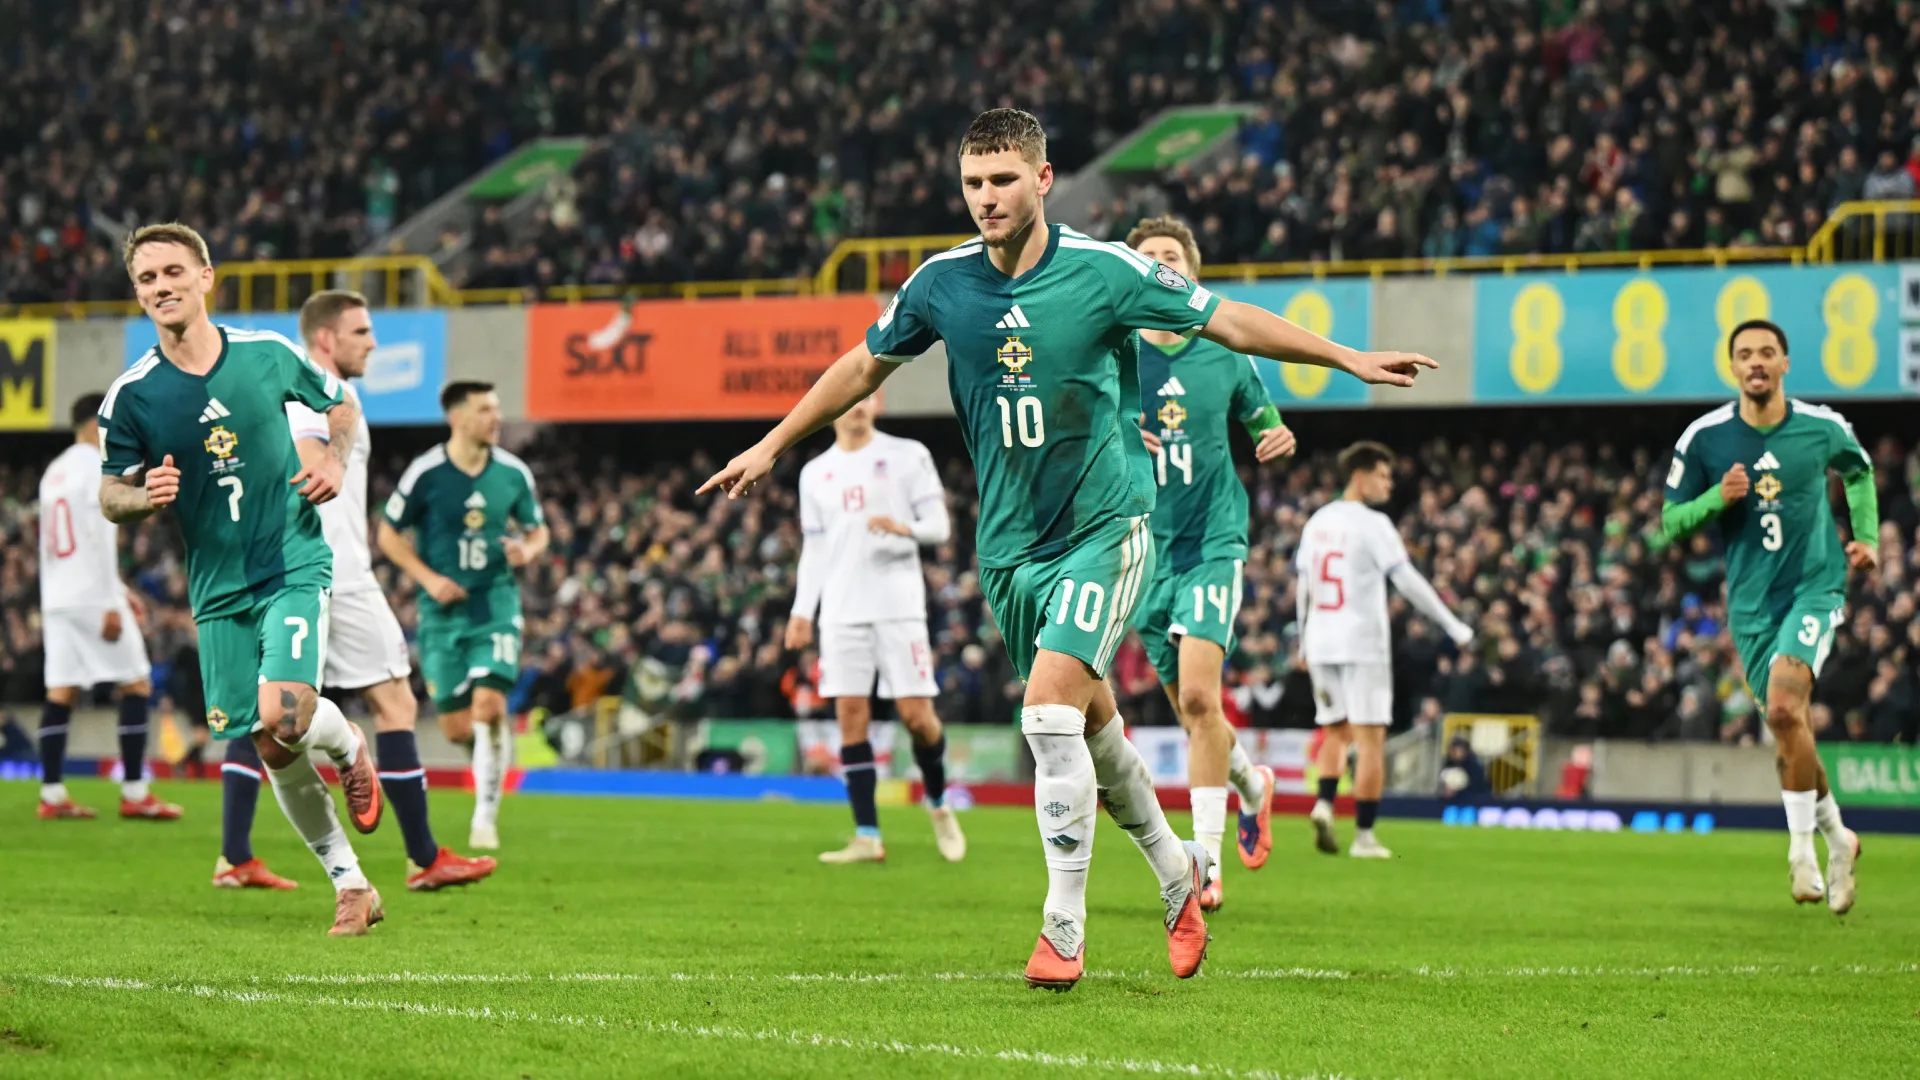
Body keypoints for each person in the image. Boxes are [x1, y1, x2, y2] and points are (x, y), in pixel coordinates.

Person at [699, 108, 1435, 990]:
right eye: (973, 183)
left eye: (1004, 180)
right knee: (1090, 728)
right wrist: (773, 444)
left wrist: (1346, 358)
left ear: (1043, 179)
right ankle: (1177, 873)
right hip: (1010, 550)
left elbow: (1229, 322)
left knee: (1047, 713)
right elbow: (862, 367)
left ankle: (1062, 927)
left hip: (1105, 528)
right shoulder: (940, 284)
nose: (986, 198)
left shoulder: (1105, 270)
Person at [100, 222, 385, 935]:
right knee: (269, 743)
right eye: (146, 278)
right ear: (138, 293)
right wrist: (143, 496)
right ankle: (352, 885)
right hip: (216, 588)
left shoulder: (267, 353)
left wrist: (334, 460)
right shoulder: (132, 396)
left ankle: (350, 746)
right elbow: (109, 494)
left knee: (286, 713)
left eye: (173, 271)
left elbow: (340, 404)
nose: (161, 286)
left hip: (289, 560)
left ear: (206, 277)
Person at [284, 290, 498, 889]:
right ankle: (417, 851)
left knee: (282, 717)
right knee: (376, 707)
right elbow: (306, 462)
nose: (373, 342)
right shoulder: (315, 391)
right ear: (326, 338)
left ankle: (235, 853)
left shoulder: (315, 392)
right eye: (361, 331)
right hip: (330, 572)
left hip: (310, 571)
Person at [1660, 319, 1875, 914]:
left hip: (1814, 588)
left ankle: (1801, 852)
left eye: (1767, 352)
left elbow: (1858, 469)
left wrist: (1866, 536)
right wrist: (1717, 499)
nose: (1756, 361)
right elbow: (1670, 522)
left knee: (1783, 708)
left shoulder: (1821, 426)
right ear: (1732, 367)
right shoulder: (1705, 438)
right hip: (1751, 608)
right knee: (1790, 727)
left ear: (1785, 363)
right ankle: (1840, 838)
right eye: (1745, 354)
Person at [1124, 216, 1285, 911]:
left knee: (1198, 698)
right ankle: (1253, 784)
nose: (1162, 264)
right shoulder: (1116, 353)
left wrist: (1275, 434)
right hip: (1143, 553)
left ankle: (1206, 864)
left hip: (1212, 545)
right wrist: (1118, 432)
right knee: (1195, 716)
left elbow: (1264, 419)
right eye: (1149, 257)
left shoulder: (1224, 351)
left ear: (1191, 274)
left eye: (1172, 255)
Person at [786, 394, 966, 864]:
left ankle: (938, 800)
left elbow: (940, 527)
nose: (858, 405)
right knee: (850, 715)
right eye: (849, 398)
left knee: (917, 718)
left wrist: (905, 528)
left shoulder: (908, 455)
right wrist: (802, 611)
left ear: (878, 402)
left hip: (898, 607)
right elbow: (815, 550)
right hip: (841, 611)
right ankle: (867, 834)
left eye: (866, 396)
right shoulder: (815, 473)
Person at [377, 381, 548, 851]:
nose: (496, 418)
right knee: (457, 727)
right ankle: (487, 760)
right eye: (485, 410)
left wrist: (528, 550)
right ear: (457, 418)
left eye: (496, 408)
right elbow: (388, 534)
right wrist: (428, 579)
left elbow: (538, 530)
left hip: (494, 605)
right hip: (441, 614)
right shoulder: (426, 472)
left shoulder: (512, 473)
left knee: (489, 706)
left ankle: (485, 818)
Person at [1296, 442, 1473, 859]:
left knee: (1335, 731)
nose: (1389, 484)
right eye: (1383, 475)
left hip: (1320, 639)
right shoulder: (1373, 523)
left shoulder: (1317, 521)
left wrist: (1303, 639)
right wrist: (1452, 625)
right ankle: (1364, 836)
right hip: (1362, 641)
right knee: (1370, 738)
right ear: (1360, 477)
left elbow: (1304, 585)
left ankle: (1324, 804)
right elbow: (1406, 579)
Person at [35, 392, 181, 821]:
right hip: (91, 596)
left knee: (61, 691)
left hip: (58, 597)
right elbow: (98, 539)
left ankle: (52, 794)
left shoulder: (54, 471)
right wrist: (109, 601)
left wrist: (120, 590)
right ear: (94, 423)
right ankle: (134, 792)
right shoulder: (94, 468)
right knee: (136, 683)